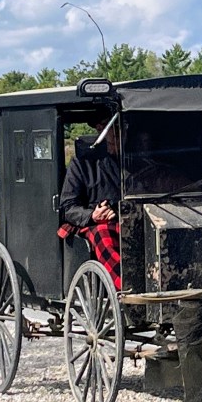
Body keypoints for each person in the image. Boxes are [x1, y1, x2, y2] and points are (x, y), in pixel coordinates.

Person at [57, 108, 122, 290]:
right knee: (103, 234)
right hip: (97, 225)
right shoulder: (82, 163)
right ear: (101, 128)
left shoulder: (139, 160)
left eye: (122, 126)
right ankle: (123, 287)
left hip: (131, 221)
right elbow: (68, 207)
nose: (119, 132)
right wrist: (93, 215)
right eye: (114, 126)